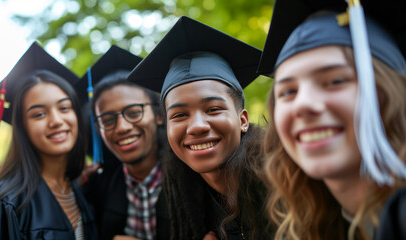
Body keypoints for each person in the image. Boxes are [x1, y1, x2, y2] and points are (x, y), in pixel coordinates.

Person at [257, 0, 406, 239]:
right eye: (287, 92)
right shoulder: (320, 227)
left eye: (335, 81)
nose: (303, 104)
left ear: (391, 94)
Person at [128, 16, 271, 239]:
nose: (196, 127)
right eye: (179, 115)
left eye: (213, 109)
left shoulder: (282, 181)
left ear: (243, 120)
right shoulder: (183, 194)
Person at [0, 42, 98, 239]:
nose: (57, 121)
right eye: (39, 114)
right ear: (22, 127)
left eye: (64, 108)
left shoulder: (76, 190)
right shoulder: (6, 205)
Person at [78, 45, 171, 240]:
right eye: (107, 119)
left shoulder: (195, 180)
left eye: (134, 112)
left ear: (160, 115)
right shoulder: (98, 186)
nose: (121, 127)